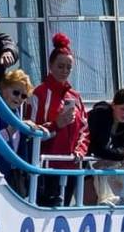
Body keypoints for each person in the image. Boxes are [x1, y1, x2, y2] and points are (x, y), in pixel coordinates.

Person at [25, 32, 89, 207]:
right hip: (46, 169)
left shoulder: (75, 97)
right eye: (60, 66)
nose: (65, 71)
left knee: (66, 211)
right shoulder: (38, 94)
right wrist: (56, 125)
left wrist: (80, 150)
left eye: (69, 68)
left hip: (71, 168)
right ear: (50, 66)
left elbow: (85, 130)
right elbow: (29, 131)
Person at [86, 86, 124, 204]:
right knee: (88, 198)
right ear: (113, 105)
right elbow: (98, 148)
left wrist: (121, 154)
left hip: (89, 161)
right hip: (78, 155)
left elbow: (117, 148)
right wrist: (123, 153)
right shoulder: (102, 115)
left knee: (94, 198)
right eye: (122, 109)